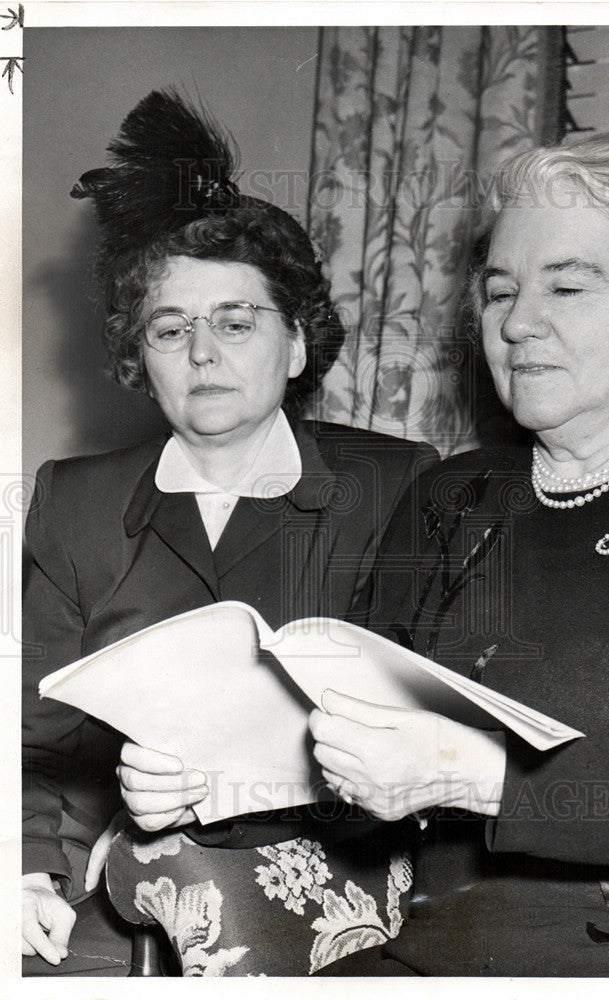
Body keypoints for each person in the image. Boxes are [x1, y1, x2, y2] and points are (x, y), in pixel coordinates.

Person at [308, 133, 609, 977]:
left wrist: (470, 773)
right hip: (430, 945)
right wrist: (209, 766)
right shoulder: (448, 497)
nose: (519, 323)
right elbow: (351, 723)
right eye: (499, 292)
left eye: (566, 285)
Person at [22, 90, 436, 975]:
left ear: (295, 345)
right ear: (141, 358)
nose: (201, 352)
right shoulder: (73, 501)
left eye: (235, 322)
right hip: (121, 879)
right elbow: (36, 738)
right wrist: (24, 875)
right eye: (170, 329)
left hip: (343, 863)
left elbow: (430, 727)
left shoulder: (397, 484)